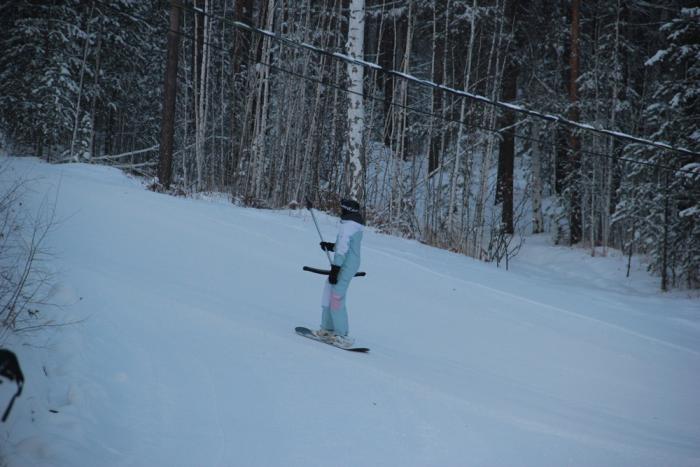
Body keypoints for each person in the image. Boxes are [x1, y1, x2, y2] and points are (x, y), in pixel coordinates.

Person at [315, 198, 364, 347]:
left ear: (347, 210)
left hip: (346, 265)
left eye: (342, 208)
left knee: (336, 296)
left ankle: (342, 334)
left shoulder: (349, 226)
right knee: (329, 291)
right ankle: (327, 329)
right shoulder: (350, 225)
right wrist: (331, 246)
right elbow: (343, 245)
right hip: (344, 262)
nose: (340, 211)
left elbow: (343, 248)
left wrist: (336, 269)